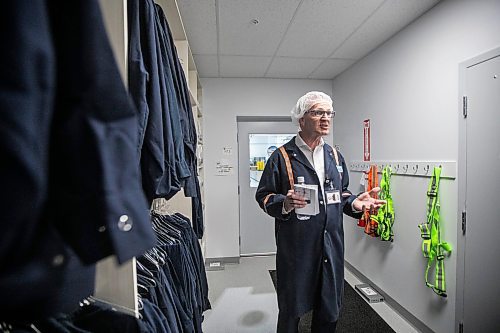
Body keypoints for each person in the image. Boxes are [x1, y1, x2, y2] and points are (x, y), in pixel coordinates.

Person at [255, 91, 385, 333]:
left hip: (331, 246)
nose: (325, 118)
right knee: (291, 308)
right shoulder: (281, 157)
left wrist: (355, 203)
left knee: (329, 309)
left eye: (328, 113)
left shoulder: (335, 156)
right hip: (297, 250)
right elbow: (263, 196)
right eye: (317, 112)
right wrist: (285, 202)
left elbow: (341, 194)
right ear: (301, 119)